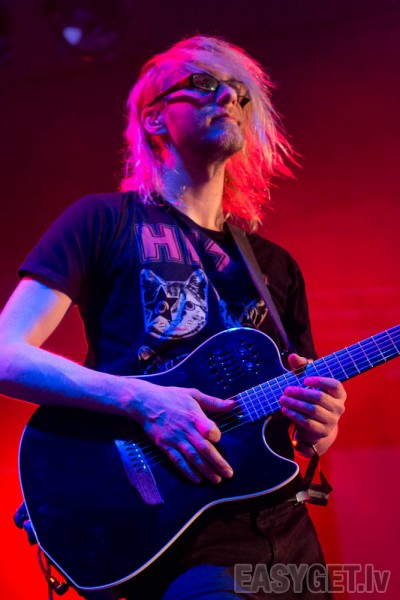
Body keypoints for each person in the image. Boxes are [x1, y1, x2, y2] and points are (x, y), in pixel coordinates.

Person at [0, 35, 346, 599]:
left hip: (289, 539)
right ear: (154, 117)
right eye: (204, 84)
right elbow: (4, 355)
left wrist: (321, 427)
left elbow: (302, 419)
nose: (228, 98)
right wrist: (142, 399)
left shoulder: (275, 266)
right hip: (178, 543)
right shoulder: (102, 221)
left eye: (239, 93)